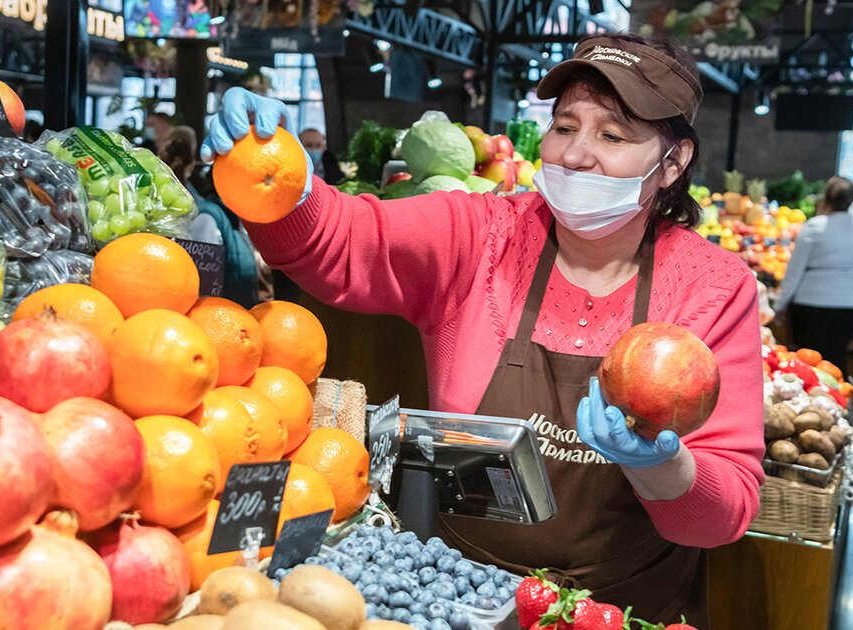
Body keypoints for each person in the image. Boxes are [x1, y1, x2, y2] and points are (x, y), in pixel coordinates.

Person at [201, 33, 763, 625]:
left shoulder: (712, 288)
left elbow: (723, 515)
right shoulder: (481, 237)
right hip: (456, 598)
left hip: (623, 610)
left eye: (613, 136)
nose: (574, 155)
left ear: (672, 163)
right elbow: (337, 240)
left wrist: (659, 465)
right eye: (565, 127)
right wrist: (276, 175)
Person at [161, 125, 271, 307]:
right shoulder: (206, 215)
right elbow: (203, 284)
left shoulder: (213, 214)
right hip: (218, 318)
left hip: (222, 317)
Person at [775, 176, 853, 368]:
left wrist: (780, 305)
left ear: (826, 198)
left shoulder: (814, 227)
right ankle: (839, 396)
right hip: (850, 305)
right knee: (837, 361)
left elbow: (795, 271)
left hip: (812, 304)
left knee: (807, 362)